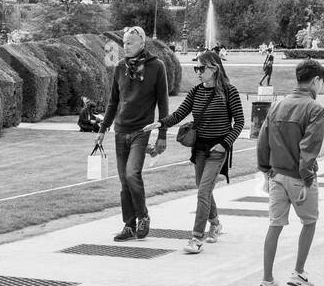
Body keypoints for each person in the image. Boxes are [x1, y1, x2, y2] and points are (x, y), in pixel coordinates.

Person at [159, 49, 245, 253]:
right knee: (202, 188)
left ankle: (196, 238)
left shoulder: (229, 91)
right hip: (200, 148)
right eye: (196, 67)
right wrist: (160, 124)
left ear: (214, 69)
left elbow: (240, 122)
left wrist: (225, 144)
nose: (197, 71)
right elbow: (180, 113)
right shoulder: (196, 91)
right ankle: (215, 223)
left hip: (218, 149)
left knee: (203, 191)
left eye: (201, 68)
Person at [255, 59, 324, 286]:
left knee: (275, 225)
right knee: (309, 222)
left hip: (276, 175)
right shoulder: (314, 109)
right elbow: (309, 148)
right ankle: (298, 271)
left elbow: (263, 140)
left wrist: (265, 170)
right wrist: (307, 178)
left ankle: (267, 280)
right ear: (315, 81)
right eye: (321, 83)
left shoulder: (277, 105)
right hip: (299, 177)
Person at [95, 25, 169, 240]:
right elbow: (113, 102)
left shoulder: (157, 67)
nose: (125, 46)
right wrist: (102, 129)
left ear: (142, 44)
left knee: (131, 174)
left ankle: (143, 216)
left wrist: (162, 135)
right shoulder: (120, 67)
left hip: (141, 130)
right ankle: (129, 225)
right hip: (120, 130)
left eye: (129, 43)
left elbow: (163, 104)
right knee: (123, 181)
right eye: (124, 43)